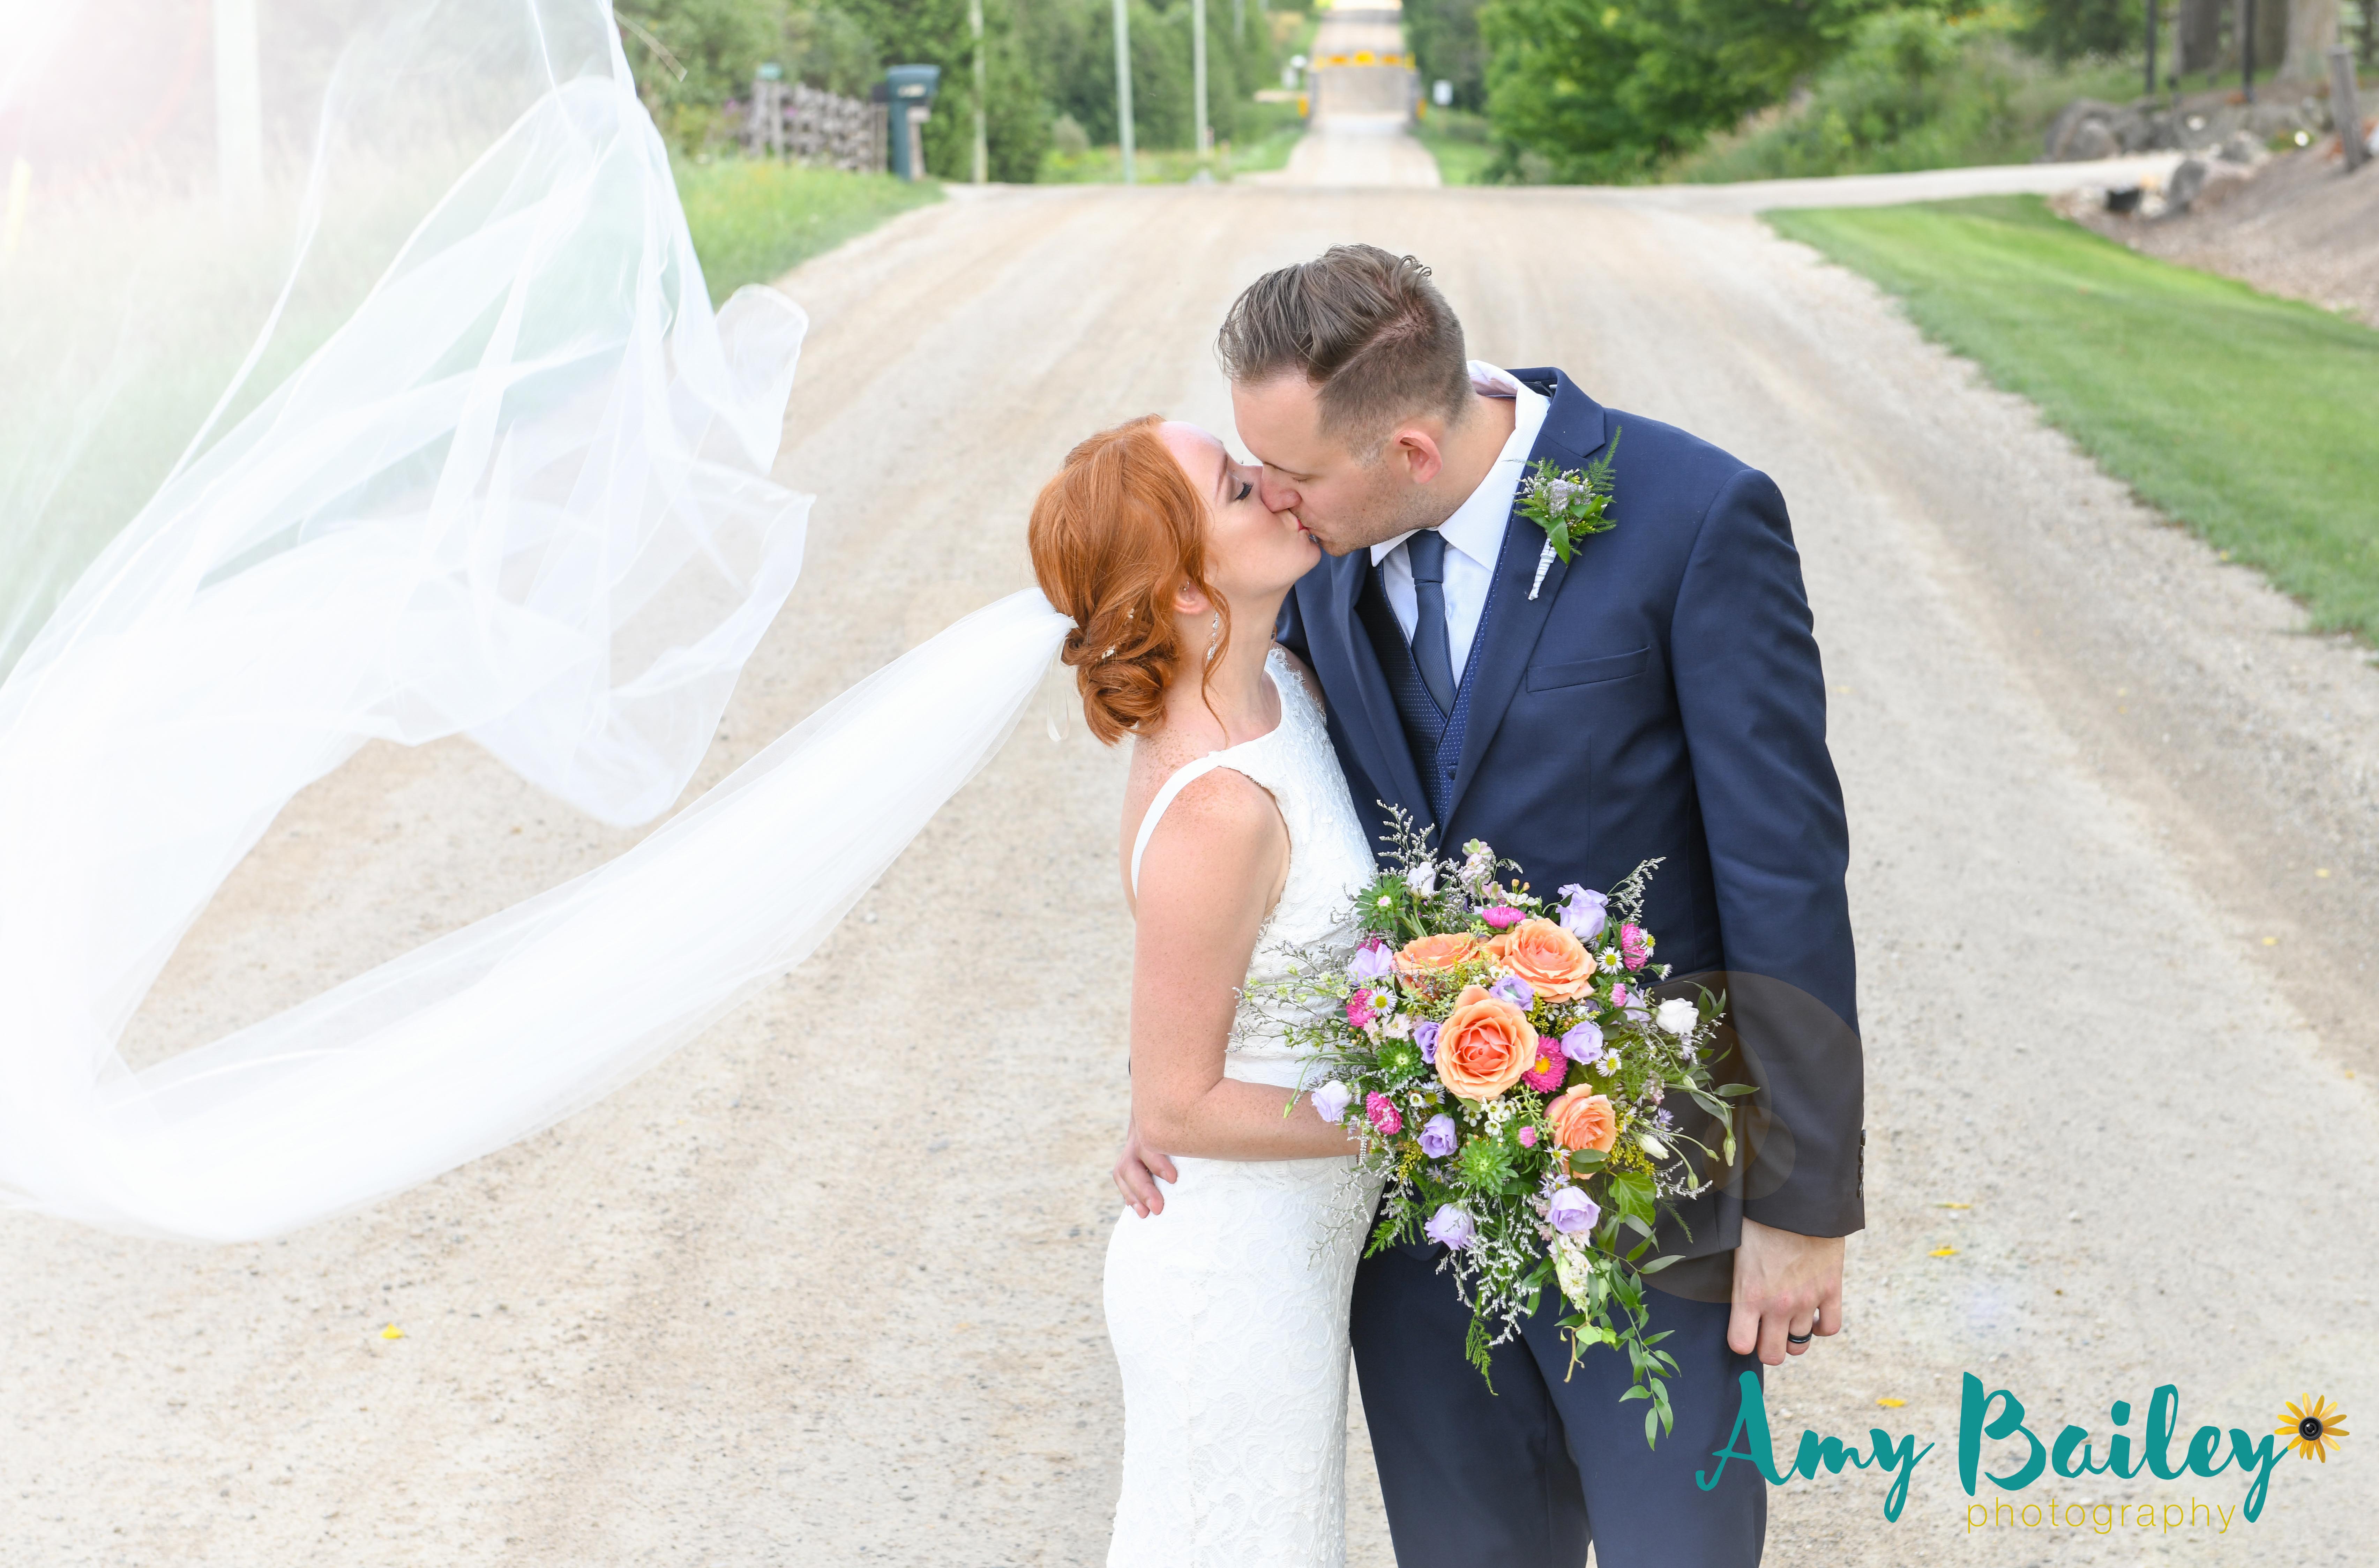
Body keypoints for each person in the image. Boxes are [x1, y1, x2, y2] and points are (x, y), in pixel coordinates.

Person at [1115, 245, 1866, 1567]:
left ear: (1409, 450)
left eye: (1291, 473)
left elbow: (1783, 870)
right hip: (1414, 1226)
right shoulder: (1308, 559)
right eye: (1255, 468)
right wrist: (1174, 1091)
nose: (1270, 497)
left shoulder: (1693, 517)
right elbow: (1215, 798)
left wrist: (1802, 1207)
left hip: (1648, 1198)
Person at [1028, 416, 1385, 1567]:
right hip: (1230, 1278)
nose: (1276, 488)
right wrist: (1427, 1114)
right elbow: (1178, 1106)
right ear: (1186, 588)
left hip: (1293, 1259)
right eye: (1238, 488)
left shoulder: (1283, 681)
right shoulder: (1217, 809)